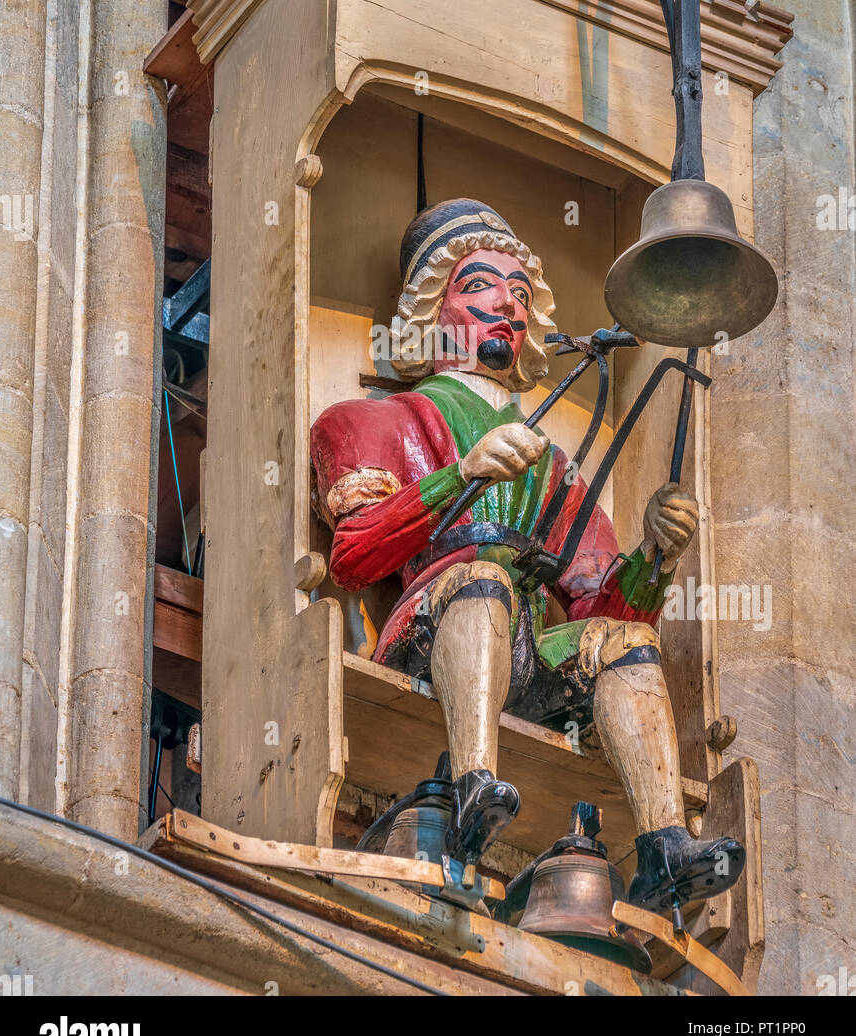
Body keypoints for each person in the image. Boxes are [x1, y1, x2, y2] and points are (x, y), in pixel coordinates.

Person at [311, 199, 744, 910]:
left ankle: (663, 844)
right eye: (479, 285)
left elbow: (599, 603)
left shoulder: (548, 466)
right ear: (428, 308)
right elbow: (354, 555)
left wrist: (655, 557)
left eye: (519, 295)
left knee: (626, 641)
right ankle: (473, 784)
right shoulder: (366, 420)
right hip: (429, 631)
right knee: (481, 577)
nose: (506, 308)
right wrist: (464, 475)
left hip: (527, 656)